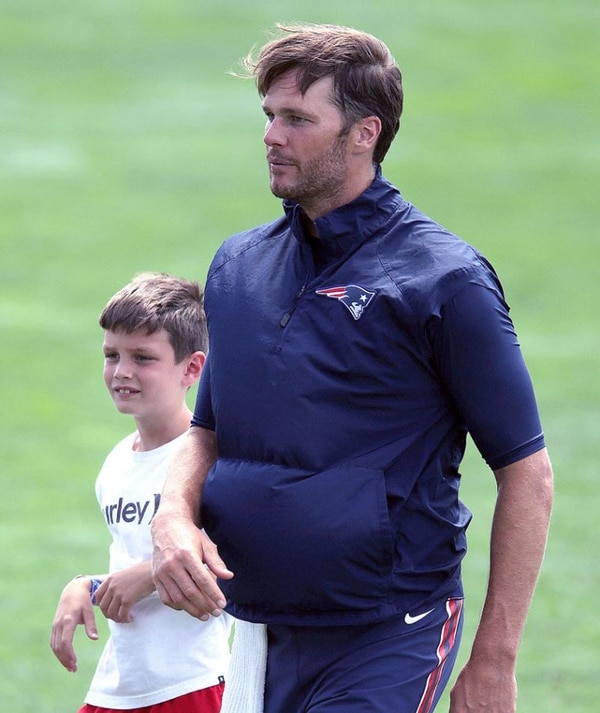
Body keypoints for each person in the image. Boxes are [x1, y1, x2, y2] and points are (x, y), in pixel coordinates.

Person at [151, 23, 554, 713]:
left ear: (365, 133)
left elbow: (527, 472)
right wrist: (171, 515)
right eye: (270, 116)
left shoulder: (444, 279)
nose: (273, 136)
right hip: (258, 630)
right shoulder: (238, 267)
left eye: (299, 119)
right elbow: (207, 430)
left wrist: (495, 658)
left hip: (391, 631)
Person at [50, 272, 232, 713]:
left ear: (191, 368)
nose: (122, 371)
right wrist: (88, 587)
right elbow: (128, 565)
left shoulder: (214, 460)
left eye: (143, 357)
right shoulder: (115, 464)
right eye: (112, 355)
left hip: (192, 685)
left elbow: (237, 559)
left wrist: (151, 573)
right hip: (118, 686)